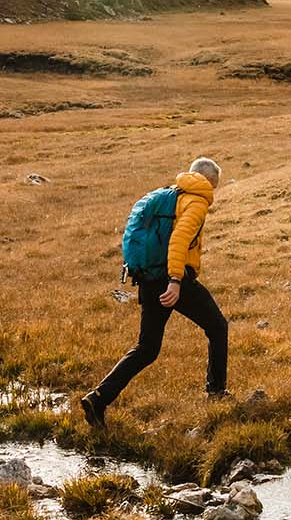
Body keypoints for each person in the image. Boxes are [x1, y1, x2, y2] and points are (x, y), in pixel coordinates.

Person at [82, 157, 229, 428]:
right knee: (218, 327)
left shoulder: (172, 195)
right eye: (215, 185)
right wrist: (175, 280)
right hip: (172, 280)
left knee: (147, 348)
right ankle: (216, 392)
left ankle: (97, 399)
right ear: (209, 181)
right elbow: (179, 241)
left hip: (149, 279)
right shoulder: (196, 202)